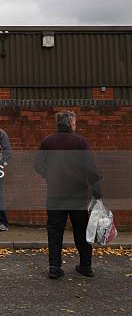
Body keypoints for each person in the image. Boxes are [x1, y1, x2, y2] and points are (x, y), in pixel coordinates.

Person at [34, 110, 102, 279]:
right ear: (71, 123)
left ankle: (54, 267)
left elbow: (37, 165)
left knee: (55, 231)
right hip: (78, 195)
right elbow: (90, 168)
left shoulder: (47, 142)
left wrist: (49, 175)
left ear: (58, 123)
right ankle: (86, 266)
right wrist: (97, 191)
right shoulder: (80, 142)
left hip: (56, 194)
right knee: (81, 231)